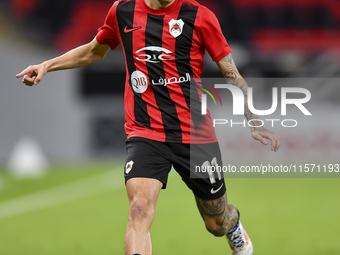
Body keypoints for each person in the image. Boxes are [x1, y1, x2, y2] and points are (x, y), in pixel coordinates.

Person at [16, 0, 281, 254]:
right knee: (139, 208)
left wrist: (254, 120)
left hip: (194, 134)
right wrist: (47, 65)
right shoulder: (123, 12)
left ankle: (234, 227)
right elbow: (94, 50)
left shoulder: (200, 16)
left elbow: (230, 72)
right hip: (145, 132)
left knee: (216, 222)